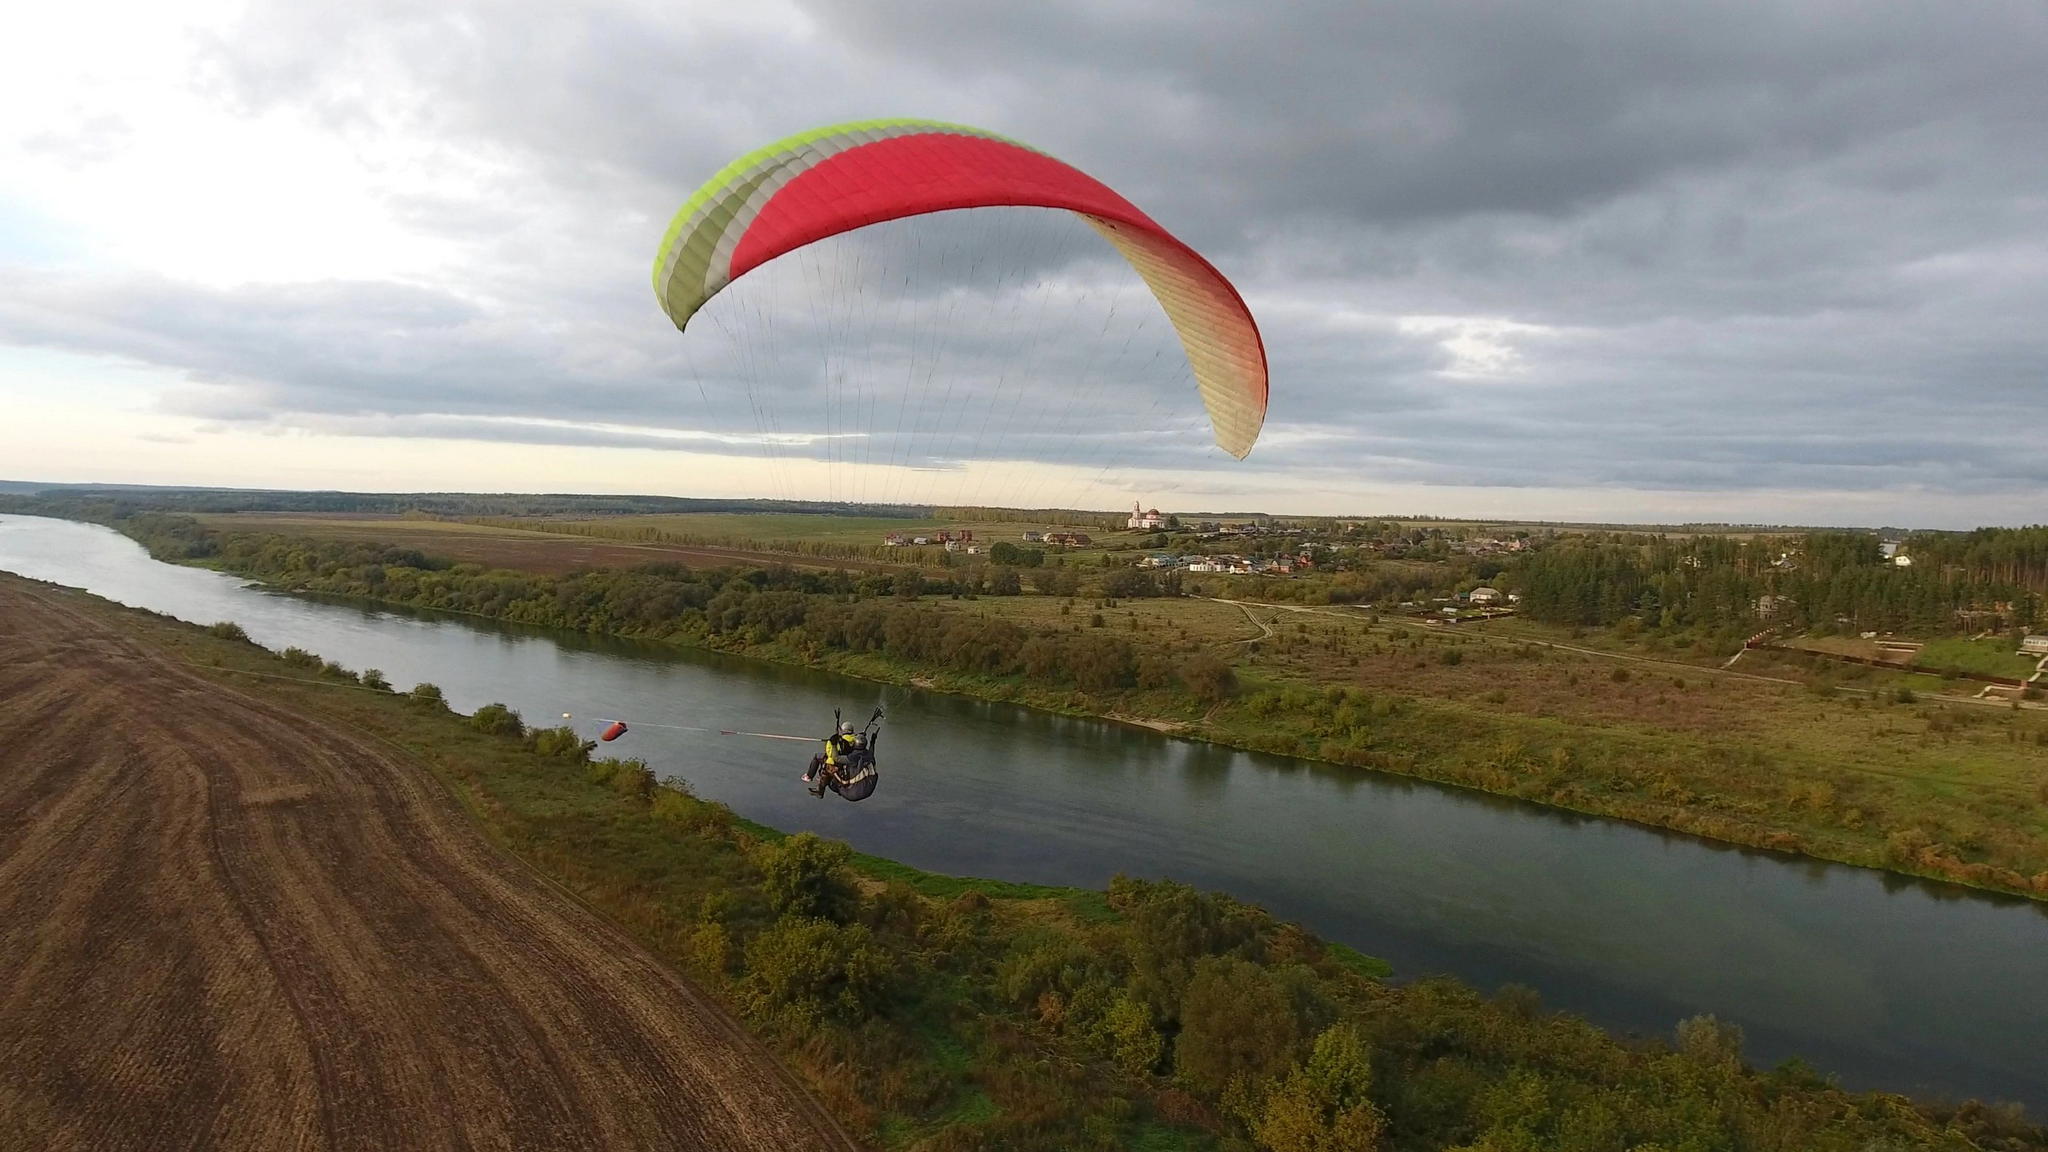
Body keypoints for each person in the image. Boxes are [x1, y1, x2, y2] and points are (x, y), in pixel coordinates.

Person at [805, 720, 859, 797]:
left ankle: (811, 778)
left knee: (819, 758)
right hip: (846, 761)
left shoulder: (839, 741)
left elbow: (829, 753)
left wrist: (829, 742)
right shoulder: (855, 740)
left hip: (835, 761)